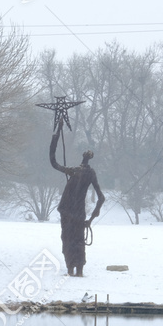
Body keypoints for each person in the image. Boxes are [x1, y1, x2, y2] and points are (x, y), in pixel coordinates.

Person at [49, 119, 105, 277]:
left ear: (83, 157)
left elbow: (53, 161)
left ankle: (71, 269)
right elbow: (101, 198)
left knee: (68, 240)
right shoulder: (90, 173)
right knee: (78, 242)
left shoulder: (73, 171)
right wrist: (91, 219)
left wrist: (57, 134)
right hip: (79, 213)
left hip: (67, 212)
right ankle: (78, 269)